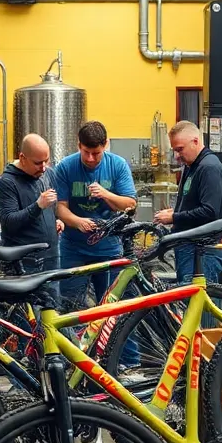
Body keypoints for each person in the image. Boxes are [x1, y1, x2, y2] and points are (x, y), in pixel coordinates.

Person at [53, 121, 138, 305]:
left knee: (111, 309)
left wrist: (106, 194)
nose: (91, 158)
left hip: (109, 249)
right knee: (71, 306)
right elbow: (60, 207)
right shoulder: (65, 167)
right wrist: (78, 222)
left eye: (96, 153)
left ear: (105, 144)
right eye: (86, 152)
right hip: (74, 249)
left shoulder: (117, 165)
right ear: (79, 146)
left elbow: (130, 204)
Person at [155, 121, 222, 284]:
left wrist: (175, 217)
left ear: (195, 141)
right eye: (174, 150)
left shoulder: (209, 167)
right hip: (190, 248)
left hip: (203, 251)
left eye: (180, 149)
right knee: (189, 304)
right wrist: (175, 213)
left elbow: (209, 212)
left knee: (199, 305)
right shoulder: (192, 166)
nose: (176, 156)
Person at [0, 133, 64, 278]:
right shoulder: (7, 182)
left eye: (47, 161)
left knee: (53, 300)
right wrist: (38, 206)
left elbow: (51, 208)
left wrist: (56, 220)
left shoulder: (47, 174)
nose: (43, 168)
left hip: (51, 256)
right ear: (22, 158)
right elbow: (9, 222)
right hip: (25, 262)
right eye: (38, 163)